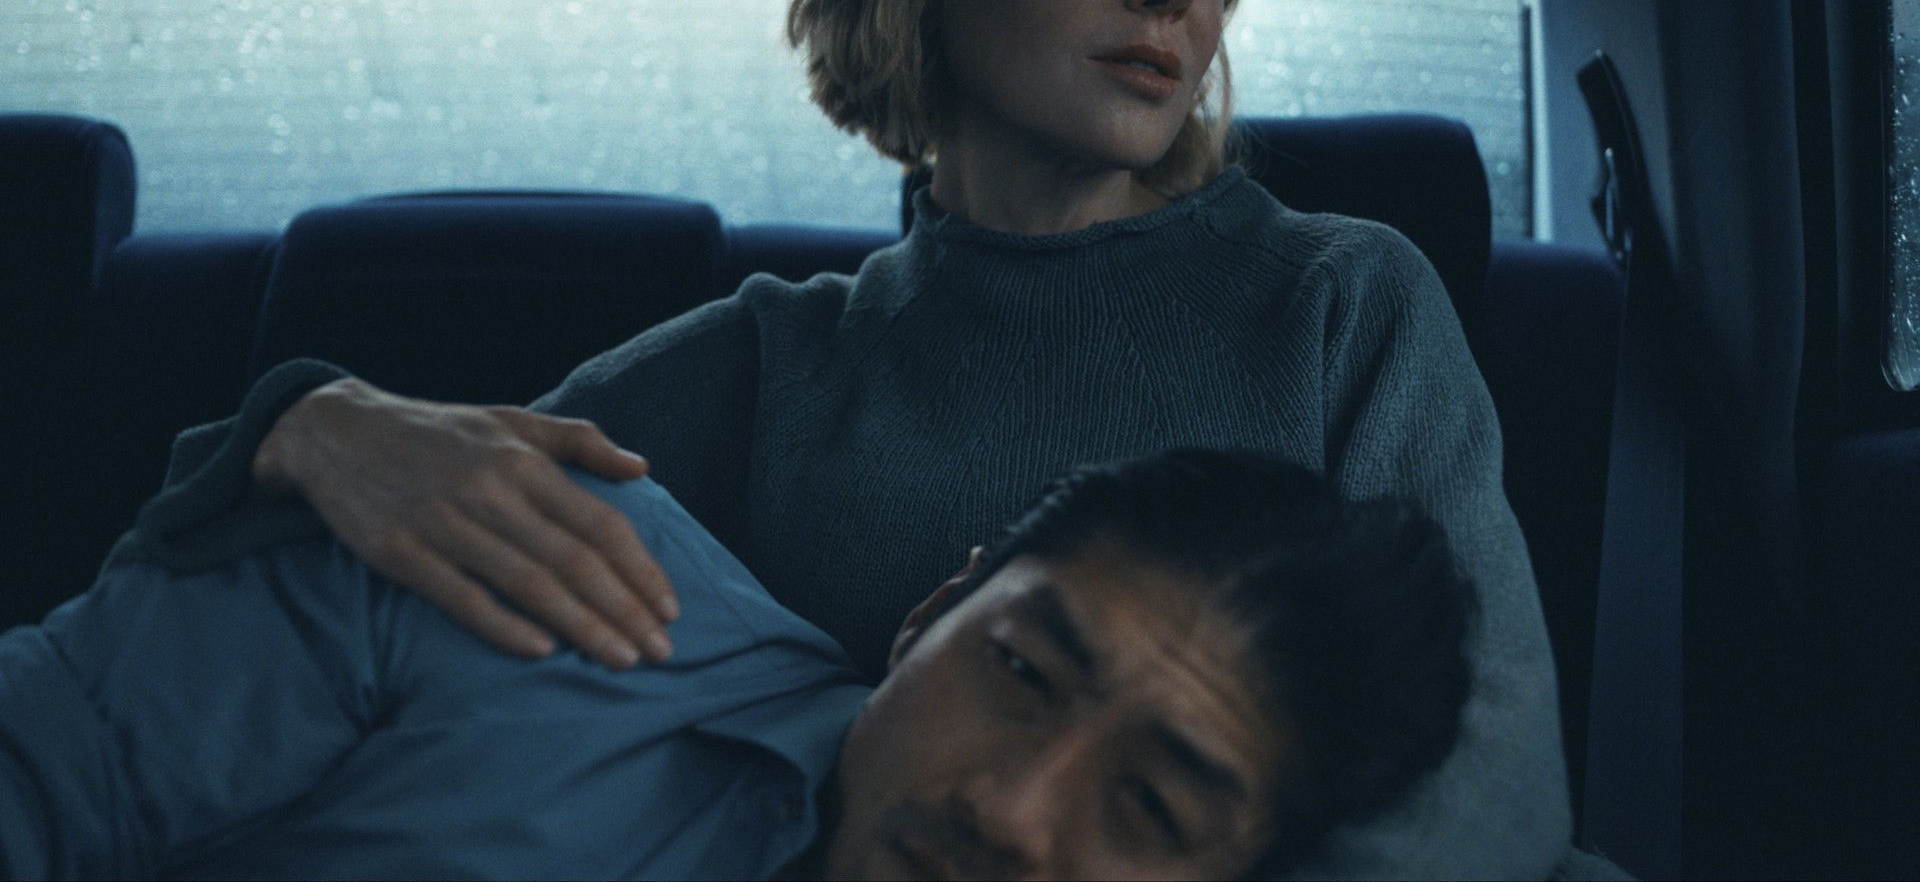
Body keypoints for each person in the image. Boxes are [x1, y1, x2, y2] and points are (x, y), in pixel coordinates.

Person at [119, 0, 1573, 874]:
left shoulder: (1340, 299)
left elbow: (1489, 802)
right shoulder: (775, 362)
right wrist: (309, 424)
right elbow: (394, 560)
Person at [2, 450, 1475, 880]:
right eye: (1022, 675)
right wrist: (292, 422)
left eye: (1146, 810)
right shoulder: (526, 568)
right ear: (931, 618)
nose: (1013, 811)